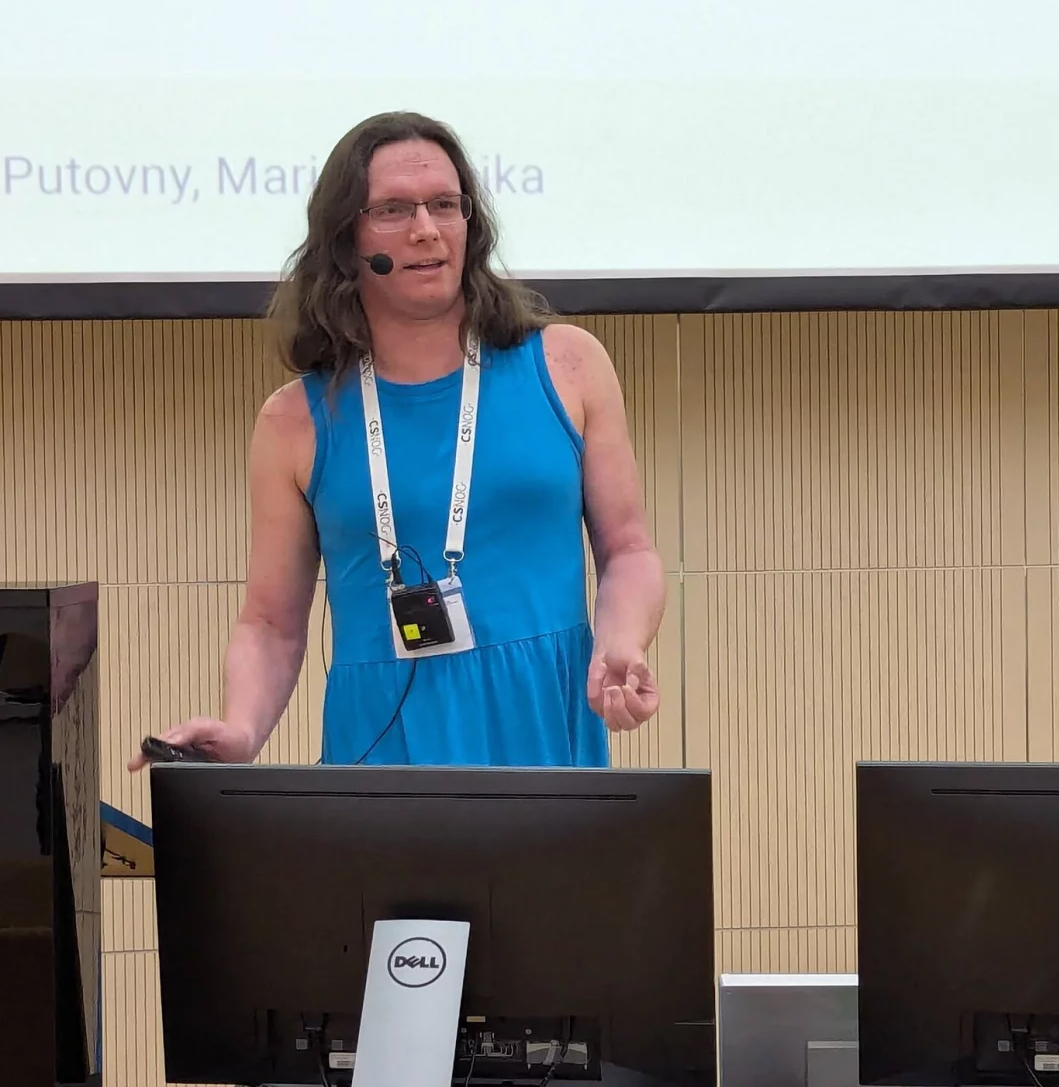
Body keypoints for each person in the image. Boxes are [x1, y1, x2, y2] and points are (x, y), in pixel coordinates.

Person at [131, 111, 662, 768]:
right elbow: (271, 623)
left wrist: (621, 644)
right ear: (346, 239)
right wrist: (241, 730)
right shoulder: (293, 421)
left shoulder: (567, 364)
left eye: (444, 204)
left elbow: (627, 550)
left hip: (541, 718)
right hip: (383, 740)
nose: (425, 229)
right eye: (392, 210)